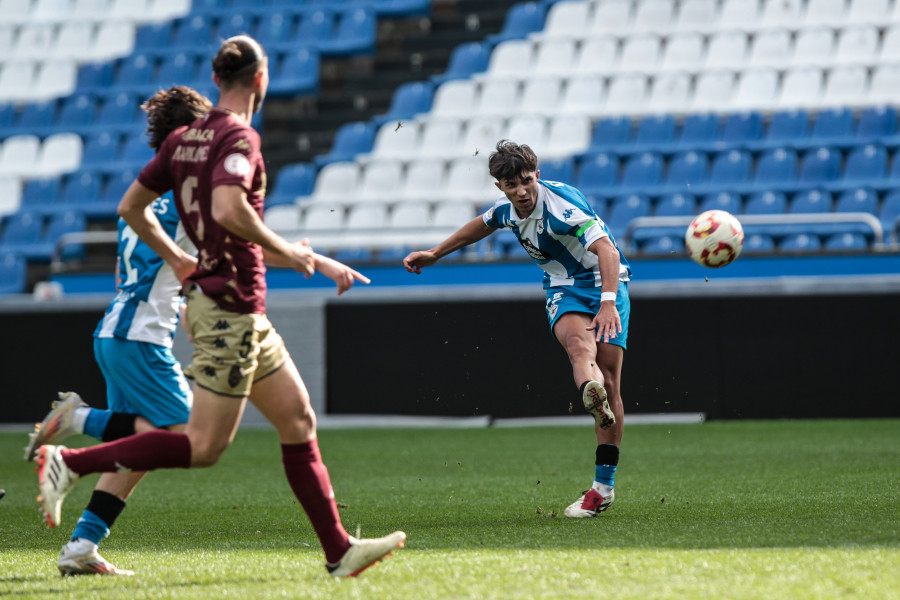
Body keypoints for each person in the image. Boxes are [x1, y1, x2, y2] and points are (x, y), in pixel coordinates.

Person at [35, 35, 406, 577]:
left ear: (216, 79)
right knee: (202, 443)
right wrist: (287, 252)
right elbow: (232, 209)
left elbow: (130, 207)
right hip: (229, 307)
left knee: (299, 419)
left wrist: (189, 261)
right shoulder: (238, 136)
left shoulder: (183, 140)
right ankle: (70, 461)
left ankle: (338, 550)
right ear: (262, 78)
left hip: (237, 309)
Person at [26, 86, 214, 575]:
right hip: (140, 338)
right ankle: (76, 424)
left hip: (118, 330)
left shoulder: (144, 195)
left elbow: (128, 271)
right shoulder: (184, 198)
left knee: (139, 452)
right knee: (187, 433)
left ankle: (81, 547)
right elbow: (207, 260)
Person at [403, 139, 632, 519]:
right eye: (511, 185)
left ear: (537, 175)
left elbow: (607, 250)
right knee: (578, 347)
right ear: (500, 187)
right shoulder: (507, 209)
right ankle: (590, 392)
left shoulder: (561, 208)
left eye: (526, 181)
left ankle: (602, 486)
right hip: (564, 287)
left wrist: (608, 301)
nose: (521, 191)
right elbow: (480, 225)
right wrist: (434, 253)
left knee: (611, 380)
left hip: (607, 282)